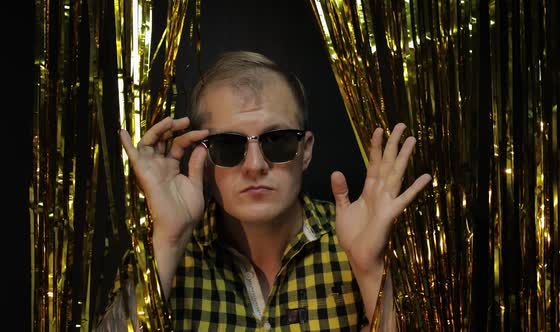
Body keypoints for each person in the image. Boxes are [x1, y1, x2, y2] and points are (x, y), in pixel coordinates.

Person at [108, 51, 431, 331]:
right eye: (229, 145)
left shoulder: (360, 240)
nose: (255, 165)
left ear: (305, 151)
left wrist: (370, 269)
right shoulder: (158, 254)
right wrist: (169, 241)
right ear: (203, 158)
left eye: (277, 140)